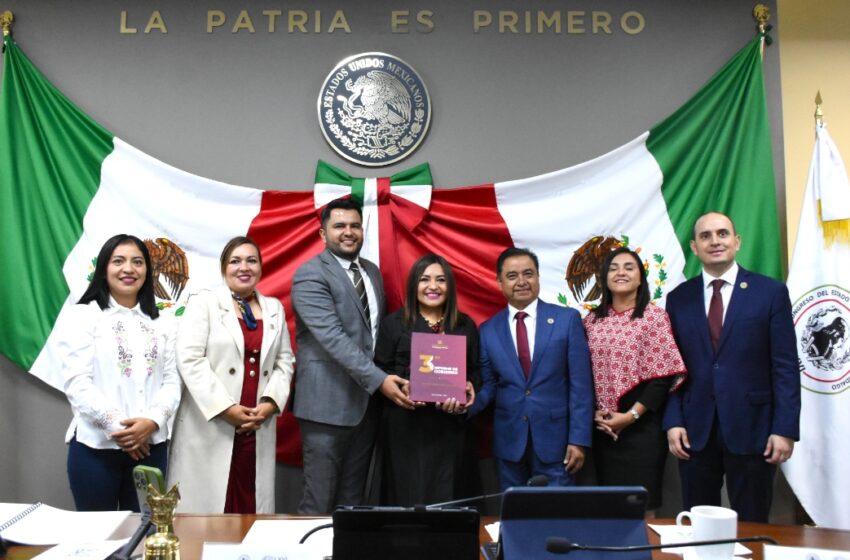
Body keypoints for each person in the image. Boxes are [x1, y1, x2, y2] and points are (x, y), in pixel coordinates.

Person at [662, 212, 800, 522]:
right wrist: (673, 421)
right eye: (706, 236)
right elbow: (672, 369)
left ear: (736, 242)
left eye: (722, 233)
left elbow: (785, 366)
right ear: (694, 247)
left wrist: (784, 429)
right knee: (698, 525)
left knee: (751, 523)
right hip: (695, 432)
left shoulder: (770, 293)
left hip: (754, 428)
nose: (715, 241)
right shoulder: (678, 299)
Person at [292, 198, 414, 514]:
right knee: (319, 502)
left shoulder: (372, 272)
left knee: (353, 504)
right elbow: (333, 339)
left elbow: (376, 335)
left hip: (367, 406)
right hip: (326, 407)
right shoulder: (310, 275)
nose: (348, 232)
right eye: (339, 226)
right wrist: (381, 380)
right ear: (323, 233)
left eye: (355, 226)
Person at [168, 236, 293, 513]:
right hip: (212, 424)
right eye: (235, 261)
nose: (243, 267)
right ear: (224, 267)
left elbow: (285, 360)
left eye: (251, 260)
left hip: (256, 425)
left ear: (260, 267)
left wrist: (270, 403)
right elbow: (189, 358)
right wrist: (226, 408)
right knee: (207, 513)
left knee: (250, 507)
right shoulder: (205, 303)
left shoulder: (274, 308)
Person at [59, 234, 181, 511]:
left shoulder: (165, 322)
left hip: (151, 447)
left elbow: (173, 381)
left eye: (137, 262)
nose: (129, 269)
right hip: (95, 449)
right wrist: (122, 431)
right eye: (118, 261)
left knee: (146, 532)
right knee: (97, 534)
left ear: (147, 270)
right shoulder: (82, 316)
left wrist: (151, 422)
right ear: (104, 269)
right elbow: (77, 383)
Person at [470, 247, 593, 489]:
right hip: (509, 445)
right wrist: (462, 404)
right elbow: (489, 385)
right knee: (515, 512)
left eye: (528, 274)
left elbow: (581, 386)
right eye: (512, 276)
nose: (521, 281)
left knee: (557, 511)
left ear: (538, 277)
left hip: (557, 445)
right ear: (499, 282)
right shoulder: (488, 330)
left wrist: (578, 440)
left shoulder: (567, 320)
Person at [583, 247, 686, 512]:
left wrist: (630, 416)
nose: (621, 273)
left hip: (642, 429)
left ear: (641, 278)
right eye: (613, 268)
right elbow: (580, 374)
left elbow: (662, 377)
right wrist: (594, 413)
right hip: (602, 429)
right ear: (604, 278)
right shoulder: (591, 321)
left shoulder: (654, 318)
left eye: (629, 267)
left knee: (641, 508)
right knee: (605, 510)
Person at [374, 254, 479, 506]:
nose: (433, 286)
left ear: (450, 286)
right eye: (425, 279)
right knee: (407, 498)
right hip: (405, 428)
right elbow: (379, 370)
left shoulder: (464, 325)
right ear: (414, 285)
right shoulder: (393, 324)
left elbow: (475, 372)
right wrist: (397, 389)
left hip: (450, 428)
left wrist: (468, 389)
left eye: (441, 280)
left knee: (449, 500)